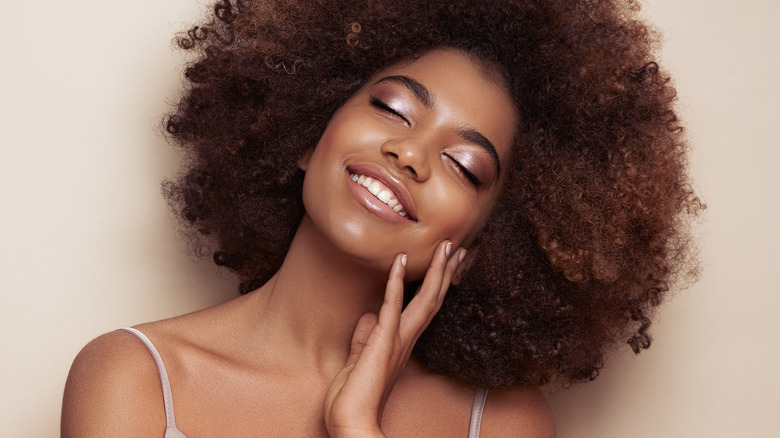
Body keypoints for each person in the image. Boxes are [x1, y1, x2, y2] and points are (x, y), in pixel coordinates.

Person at [61, 0, 701, 436]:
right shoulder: (136, 377)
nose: (410, 154)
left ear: (482, 245)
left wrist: (357, 426)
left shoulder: (502, 425)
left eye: (465, 166)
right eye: (393, 108)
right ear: (311, 133)